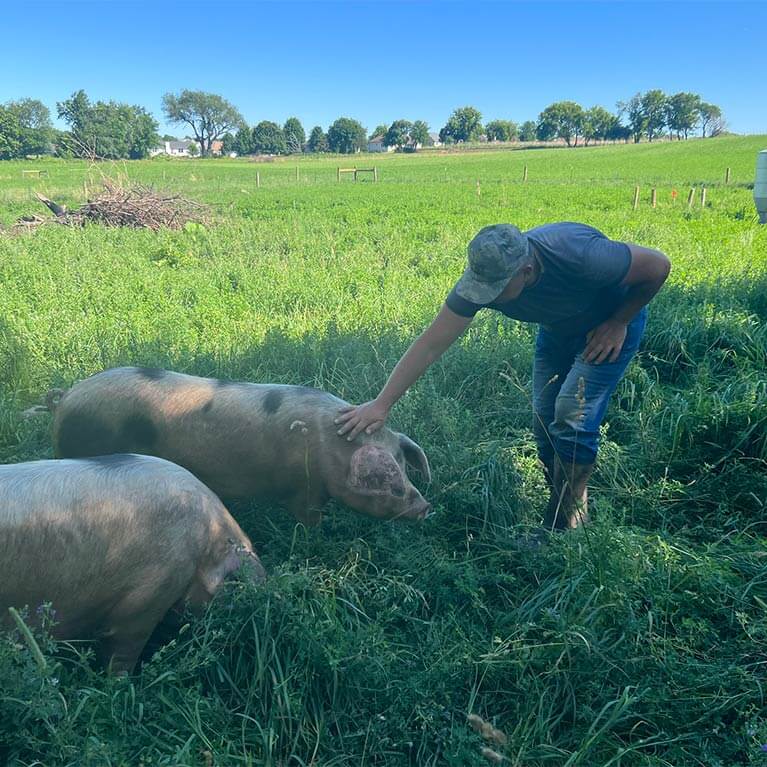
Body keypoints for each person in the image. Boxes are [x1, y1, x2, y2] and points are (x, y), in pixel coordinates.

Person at [334, 222, 671, 533]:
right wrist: (381, 404)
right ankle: (566, 502)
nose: (484, 295)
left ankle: (564, 524)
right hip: (558, 331)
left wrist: (619, 322)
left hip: (609, 328)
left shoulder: (582, 257)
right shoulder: (484, 277)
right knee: (544, 419)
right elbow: (430, 344)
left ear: (526, 271)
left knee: (570, 415)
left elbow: (658, 265)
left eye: (494, 288)